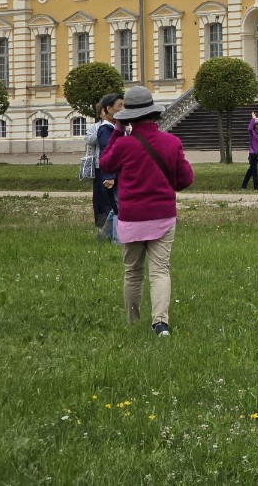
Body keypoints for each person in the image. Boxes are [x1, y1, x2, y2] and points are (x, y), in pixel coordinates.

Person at [98, 85, 193, 337]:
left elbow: (105, 163)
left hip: (131, 217)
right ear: (153, 113)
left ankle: (133, 321)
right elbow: (186, 179)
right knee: (160, 270)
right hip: (162, 215)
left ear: (128, 116)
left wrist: (117, 131)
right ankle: (160, 323)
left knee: (133, 272)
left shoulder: (123, 146)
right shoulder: (171, 142)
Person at [89, 92, 124, 238]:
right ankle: (118, 240)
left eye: (124, 105)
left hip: (118, 173)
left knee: (115, 207)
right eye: (120, 106)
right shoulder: (105, 130)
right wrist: (110, 176)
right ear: (109, 109)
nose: (123, 108)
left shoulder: (116, 127)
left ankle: (104, 237)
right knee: (119, 208)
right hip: (112, 174)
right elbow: (106, 153)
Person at [241, 112, 258, 191]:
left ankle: (243, 187)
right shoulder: (252, 133)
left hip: (257, 155)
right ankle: (256, 189)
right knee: (255, 172)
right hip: (252, 154)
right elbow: (249, 128)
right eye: (257, 124)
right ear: (254, 125)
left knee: (250, 172)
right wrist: (253, 118)